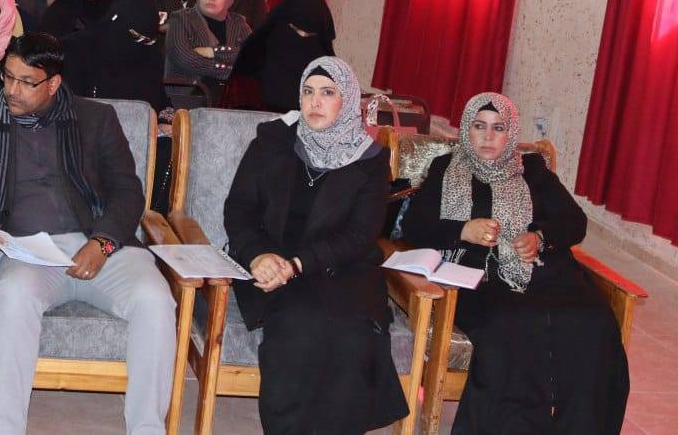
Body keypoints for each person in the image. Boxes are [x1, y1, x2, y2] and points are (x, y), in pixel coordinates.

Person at [0, 33, 177, 433]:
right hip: (26, 251)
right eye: (7, 77)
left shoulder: (96, 118)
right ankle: (3, 428)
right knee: (14, 296)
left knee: (156, 300)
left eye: (26, 82)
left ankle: (147, 429)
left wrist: (102, 243)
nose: (12, 90)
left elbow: (128, 193)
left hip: (100, 245)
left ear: (53, 83)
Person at [401, 93, 629, 434]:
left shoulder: (533, 171)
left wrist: (539, 236)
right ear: (466, 129)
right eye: (479, 126)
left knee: (592, 323)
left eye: (498, 128)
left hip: (545, 274)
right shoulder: (445, 169)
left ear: (511, 134)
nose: (488, 136)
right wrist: (463, 230)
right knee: (514, 326)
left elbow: (574, 222)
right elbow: (414, 226)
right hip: (479, 279)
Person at [224, 56, 409, 433]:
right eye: (308, 92)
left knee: (352, 336)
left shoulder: (370, 159)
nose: (315, 102)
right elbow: (239, 208)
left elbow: (360, 234)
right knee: (298, 326)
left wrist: (298, 264)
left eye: (327, 93)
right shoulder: (272, 140)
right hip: (270, 264)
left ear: (347, 101)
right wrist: (256, 256)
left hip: (340, 268)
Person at [61, 0, 170, 112]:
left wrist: (169, 119)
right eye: (139, 38)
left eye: (150, 41)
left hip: (140, 122)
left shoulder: (149, 54)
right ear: (117, 24)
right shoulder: (76, 50)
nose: (145, 44)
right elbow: (67, 105)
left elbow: (161, 102)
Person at [231, 0, 336, 112]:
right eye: (295, 29)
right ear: (279, 26)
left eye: (310, 35)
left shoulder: (329, 82)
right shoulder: (248, 72)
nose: (301, 37)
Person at [166, 0, 252, 101]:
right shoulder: (180, 18)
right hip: (188, 96)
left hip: (231, 97)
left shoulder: (238, 23)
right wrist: (229, 70)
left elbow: (251, 57)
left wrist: (212, 51)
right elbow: (185, 59)